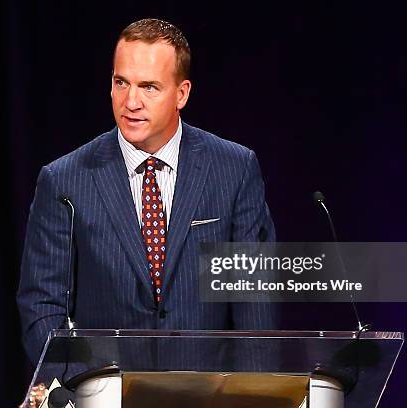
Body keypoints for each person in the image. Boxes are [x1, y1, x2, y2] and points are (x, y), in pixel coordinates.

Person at [17, 18, 277, 405]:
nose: (130, 102)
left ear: (182, 93)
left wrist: (257, 397)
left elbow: (253, 307)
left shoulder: (234, 170)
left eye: (149, 87)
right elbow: (42, 306)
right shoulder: (64, 180)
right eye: (121, 83)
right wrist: (77, 391)